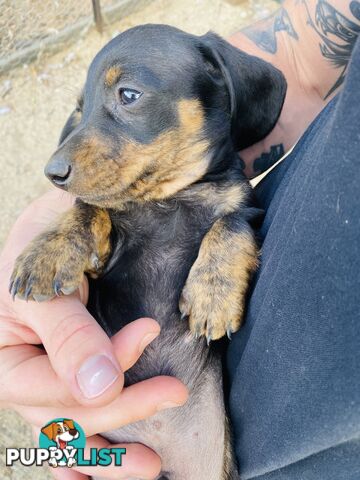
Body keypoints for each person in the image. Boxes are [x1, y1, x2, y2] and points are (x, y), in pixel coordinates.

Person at [0, 0, 359, 478]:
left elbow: (237, 218)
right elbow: (302, 63)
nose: (63, 156)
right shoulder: (110, 209)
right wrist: (61, 220)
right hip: (128, 436)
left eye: (126, 96)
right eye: (85, 113)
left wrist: (227, 247)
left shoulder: (228, 204)